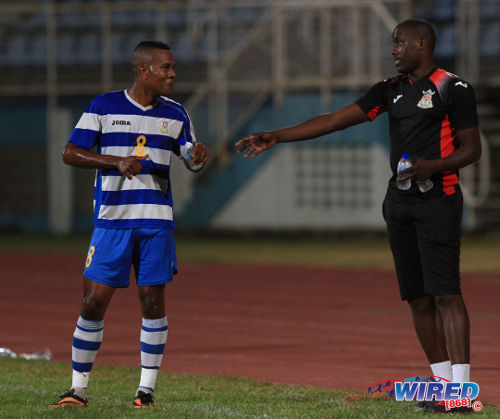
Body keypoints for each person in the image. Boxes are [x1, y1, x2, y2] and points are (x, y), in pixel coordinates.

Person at [236, 19, 480, 413]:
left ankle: (463, 393)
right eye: (392, 43)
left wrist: (432, 166)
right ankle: (441, 386)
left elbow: (472, 150)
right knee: (417, 298)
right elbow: (334, 119)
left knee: (447, 295)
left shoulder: (454, 87)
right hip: (398, 203)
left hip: (439, 199)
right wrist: (277, 135)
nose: (393, 49)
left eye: (399, 42)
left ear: (421, 43)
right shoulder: (389, 89)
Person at [50, 40, 209, 409]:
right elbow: (70, 153)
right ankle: (77, 390)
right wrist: (115, 162)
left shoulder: (177, 113)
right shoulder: (103, 106)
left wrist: (197, 157)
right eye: (165, 68)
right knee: (93, 303)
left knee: (153, 302)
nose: (172, 74)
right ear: (143, 70)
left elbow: (189, 157)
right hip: (113, 221)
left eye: (173, 68)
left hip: (156, 223)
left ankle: (146, 392)